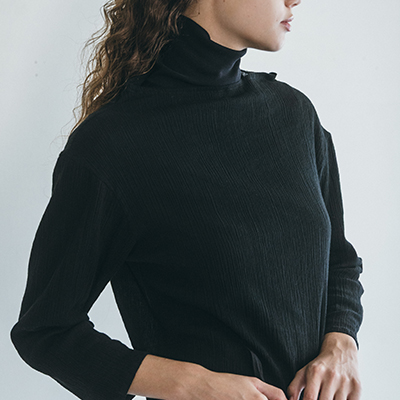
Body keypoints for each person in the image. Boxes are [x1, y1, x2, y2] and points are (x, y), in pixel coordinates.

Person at [10, 0, 364, 399]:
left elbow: (338, 260)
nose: (294, 0)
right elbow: (46, 330)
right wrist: (191, 384)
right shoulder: (112, 146)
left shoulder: (294, 114)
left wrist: (341, 344)